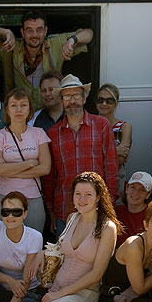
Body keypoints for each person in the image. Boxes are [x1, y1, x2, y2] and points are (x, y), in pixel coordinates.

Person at [25, 172, 119, 302]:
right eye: (78, 194)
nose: (82, 199)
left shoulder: (107, 228)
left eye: (88, 194)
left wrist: (58, 295)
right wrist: (41, 253)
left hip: (84, 294)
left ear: (98, 197)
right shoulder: (71, 218)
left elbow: (97, 274)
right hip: (57, 289)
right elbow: (60, 251)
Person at [44, 75, 119, 234]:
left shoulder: (101, 125)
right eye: (67, 96)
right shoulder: (53, 133)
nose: (72, 100)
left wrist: (110, 203)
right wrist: (50, 209)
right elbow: (50, 176)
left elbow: (111, 167)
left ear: (84, 98)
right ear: (61, 101)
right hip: (65, 209)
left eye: (76, 95)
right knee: (65, 250)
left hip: (97, 209)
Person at [0, 10, 92, 107]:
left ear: (45, 31)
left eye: (39, 30)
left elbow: (89, 33)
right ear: (22, 32)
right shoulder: (9, 47)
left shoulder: (55, 44)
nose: (34, 35)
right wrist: (6, 32)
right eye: (29, 30)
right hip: (19, 112)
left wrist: (72, 40)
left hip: (50, 112)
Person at [0, 89, 51, 232]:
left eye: (23, 105)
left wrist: (8, 170)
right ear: (7, 110)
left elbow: (45, 168)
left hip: (32, 198)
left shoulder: (39, 133)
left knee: (33, 241)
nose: (19, 110)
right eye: (14, 105)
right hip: (3, 198)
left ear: (30, 109)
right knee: (0, 241)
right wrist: (29, 163)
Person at [93, 83, 132, 173]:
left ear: (116, 103)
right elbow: (84, 155)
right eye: (100, 100)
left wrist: (96, 153)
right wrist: (115, 150)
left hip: (116, 175)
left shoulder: (124, 126)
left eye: (109, 101)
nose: (104, 104)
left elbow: (121, 159)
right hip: (93, 175)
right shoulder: (89, 125)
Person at [116, 171, 152, 236]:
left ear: (148, 194)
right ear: (126, 188)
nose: (136, 193)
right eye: (133, 187)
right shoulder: (117, 212)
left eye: (142, 190)